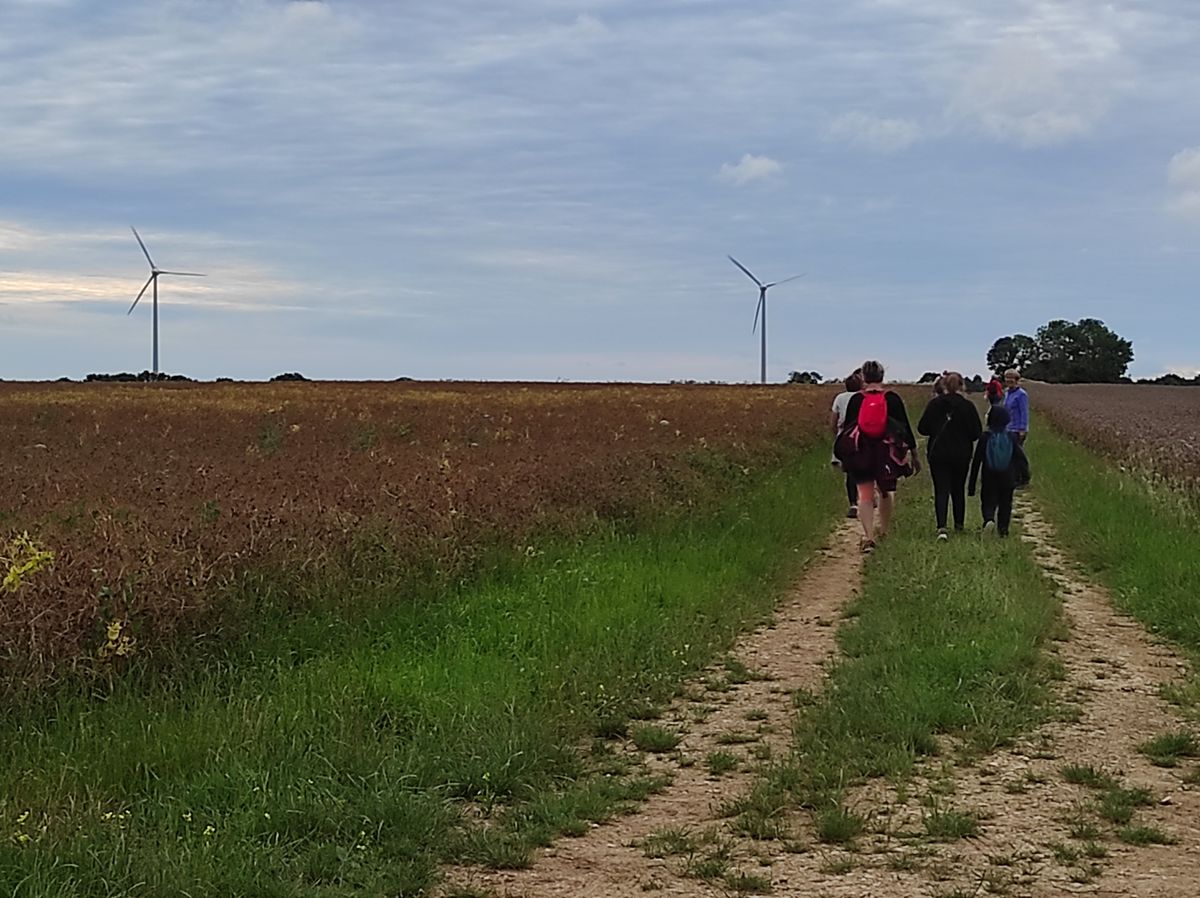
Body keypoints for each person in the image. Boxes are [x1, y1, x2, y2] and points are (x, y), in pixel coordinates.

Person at [837, 360, 918, 553]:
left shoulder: (856, 399)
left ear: (863, 377)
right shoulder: (893, 398)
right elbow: (905, 428)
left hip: (863, 452)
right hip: (886, 452)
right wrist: (914, 454)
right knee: (885, 491)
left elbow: (848, 430)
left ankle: (868, 537)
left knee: (864, 494)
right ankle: (884, 530)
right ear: (882, 376)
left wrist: (843, 457)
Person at [917, 371, 982, 541]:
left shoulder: (934, 404)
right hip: (961, 453)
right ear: (962, 385)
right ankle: (959, 525)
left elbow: (922, 428)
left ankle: (941, 527)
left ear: (944, 385)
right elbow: (976, 433)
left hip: (938, 453)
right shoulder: (968, 406)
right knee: (958, 489)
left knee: (941, 489)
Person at [968, 405, 1030, 537]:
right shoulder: (1012, 437)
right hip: (1008, 477)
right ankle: (1003, 531)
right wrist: (1025, 476)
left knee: (988, 501)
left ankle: (989, 520)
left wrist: (971, 486)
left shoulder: (985, 437)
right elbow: (1020, 457)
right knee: (1005, 504)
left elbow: (976, 461)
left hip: (989, 476)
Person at [830, 370, 864, 518]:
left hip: (844, 437)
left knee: (850, 472)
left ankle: (853, 504)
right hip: (862, 436)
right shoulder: (863, 398)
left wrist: (836, 436)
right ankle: (867, 497)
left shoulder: (839, 398)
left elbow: (833, 420)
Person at [1003, 369, 1029, 445]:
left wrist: (1022, 430)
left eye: (1011, 378)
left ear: (1016, 380)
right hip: (1007, 428)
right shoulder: (1007, 393)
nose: (1009, 380)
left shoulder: (1021, 394)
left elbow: (1024, 412)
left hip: (1017, 430)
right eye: (1007, 378)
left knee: (1016, 454)